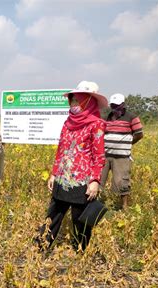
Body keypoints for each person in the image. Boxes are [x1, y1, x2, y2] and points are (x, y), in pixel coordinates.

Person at [38, 81, 107, 252]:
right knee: (53, 214)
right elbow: (61, 149)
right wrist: (54, 174)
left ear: (88, 101)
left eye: (77, 100)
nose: (74, 104)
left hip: (82, 181)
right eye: (72, 100)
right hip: (63, 177)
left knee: (79, 219)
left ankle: (80, 251)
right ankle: (41, 246)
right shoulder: (67, 122)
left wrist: (95, 180)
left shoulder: (96, 124)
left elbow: (99, 155)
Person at [100, 93, 143, 209]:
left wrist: (128, 143)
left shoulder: (131, 117)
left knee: (122, 182)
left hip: (122, 156)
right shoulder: (107, 117)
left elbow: (139, 134)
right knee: (98, 179)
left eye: (117, 105)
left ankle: (124, 207)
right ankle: (95, 205)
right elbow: (101, 132)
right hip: (105, 154)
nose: (114, 108)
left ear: (123, 105)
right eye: (113, 105)